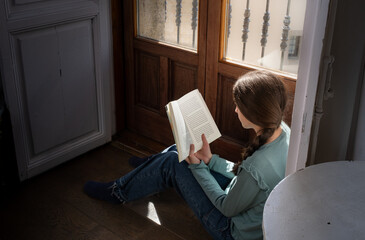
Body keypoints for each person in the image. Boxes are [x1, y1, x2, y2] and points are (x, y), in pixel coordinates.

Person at [84, 70, 290, 240]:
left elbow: (226, 207)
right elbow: (246, 180)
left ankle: (117, 191)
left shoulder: (256, 167)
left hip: (229, 230)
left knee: (176, 160)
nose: (235, 110)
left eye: (238, 105)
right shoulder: (283, 132)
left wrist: (199, 167)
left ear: (253, 112)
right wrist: (211, 160)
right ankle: (149, 168)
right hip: (244, 205)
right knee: (180, 149)